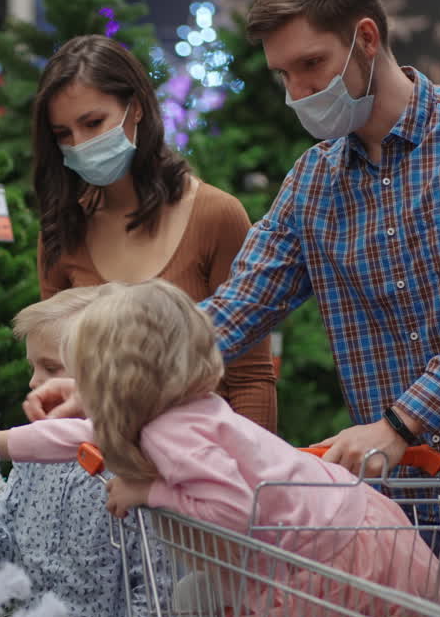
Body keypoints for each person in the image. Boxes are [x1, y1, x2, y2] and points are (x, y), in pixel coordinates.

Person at [22, 0, 440, 614]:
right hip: (403, 512)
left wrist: (402, 421)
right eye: (283, 75)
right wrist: (100, 380)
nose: (298, 92)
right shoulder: (313, 186)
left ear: (366, 39)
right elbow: (230, 313)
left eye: (311, 66)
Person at [0, 280, 440, 617]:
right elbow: (72, 435)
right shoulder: (169, 408)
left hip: (342, 560)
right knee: (202, 611)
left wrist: (147, 491)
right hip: (329, 536)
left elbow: (230, 507)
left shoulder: (171, 432)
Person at [31, 34, 277, 431]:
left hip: (205, 467)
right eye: (63, 134)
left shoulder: (216, 215)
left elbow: (251, 378)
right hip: (96, 473)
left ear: (137, 109)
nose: (79, 144)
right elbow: (53, 371)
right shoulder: (63, 232)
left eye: (93, 123)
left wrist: (249, 481)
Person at [0, 287, 165, 617]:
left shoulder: (136, 464)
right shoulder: (33, 454)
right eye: (33, 366)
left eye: (50, 368)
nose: (34, 381)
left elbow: (154, 585)